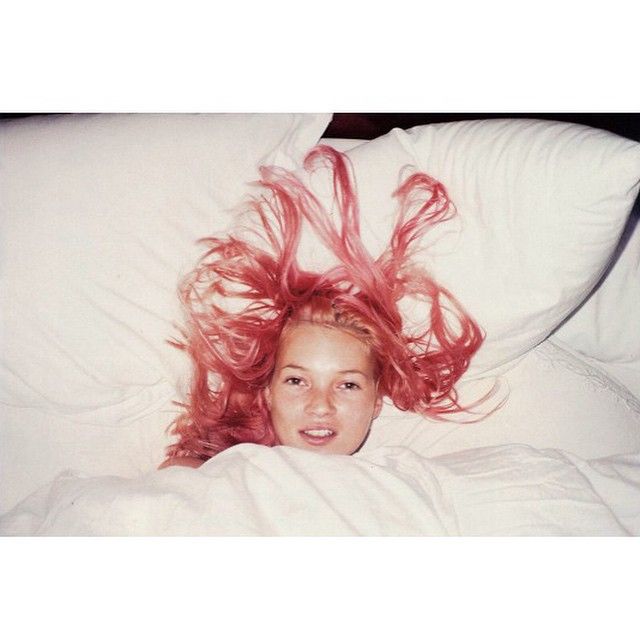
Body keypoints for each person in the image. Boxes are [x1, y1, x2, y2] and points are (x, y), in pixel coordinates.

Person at [160, 145, 484, 468]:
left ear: (376, 403)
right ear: (268, 393)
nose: (320, 406)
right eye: (297, 381)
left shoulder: (401, 482)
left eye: (347, 385)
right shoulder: (204, 475)